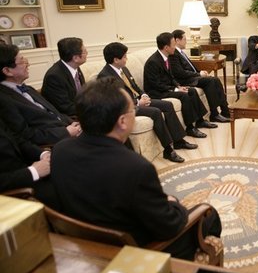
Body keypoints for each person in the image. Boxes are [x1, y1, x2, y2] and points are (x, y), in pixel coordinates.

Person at [51, 78, 222, 260]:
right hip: (134, 250)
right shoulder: (136, 169)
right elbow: (169, 226)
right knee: (209, 215)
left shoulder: (60, 150)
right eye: (133, 109)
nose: (135, 112)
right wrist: (173, 203)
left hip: (84, 243)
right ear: (123, 121)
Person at [98, 42, 198, 163]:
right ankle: (168, 150)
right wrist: (138, 102)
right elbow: (115, 99)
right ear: (115, 59)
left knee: (167, 105)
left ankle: (178, 141)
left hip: (139, 100)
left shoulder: (123, 68)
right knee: (155, 112)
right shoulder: (105, 76)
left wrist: (143, 95)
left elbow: (134, 86)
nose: (126, 59)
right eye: (124, 57)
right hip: (127, 108)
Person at [0, 44, 81, 146]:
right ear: (7, 71)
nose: (28, 64)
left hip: (67, 128)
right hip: (54, 143)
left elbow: (54, 113)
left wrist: (73, 124)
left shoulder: (28, 89)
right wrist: (66, 132)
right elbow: (25, 135)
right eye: (22, 61)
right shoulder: (4, 100)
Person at [143, 32, 216, 138]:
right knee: (183, 95)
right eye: (173, 44)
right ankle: (190, 128)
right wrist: (175, 90)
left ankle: (200, 120)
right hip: (156, 92)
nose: (175, 46)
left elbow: (171, 77)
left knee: (190, 90)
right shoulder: (153, 62)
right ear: (166, 47)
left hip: (166, 88)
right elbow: (156, 84)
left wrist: (178, 86)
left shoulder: (166, 56)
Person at [170, 29, 230, 123]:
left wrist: (200, 72)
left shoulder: (181, 52)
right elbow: (179, 72)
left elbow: (190, 67)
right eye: (185, 39)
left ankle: (225, 110)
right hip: (185, 80)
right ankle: (214, 114)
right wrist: (198, 74)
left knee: (215, 80)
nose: (187, 41)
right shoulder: (173, 54)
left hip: (192, 77)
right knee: (210, 81)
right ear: (177, 40)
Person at [41, 37, 87, 117]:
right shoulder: (54, 77)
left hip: (78, 111)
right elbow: (65, 107)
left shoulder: (75, 67)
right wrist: (92, 108)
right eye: (84, 52)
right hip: (65, 118)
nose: (87, 53)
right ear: (75, 58)